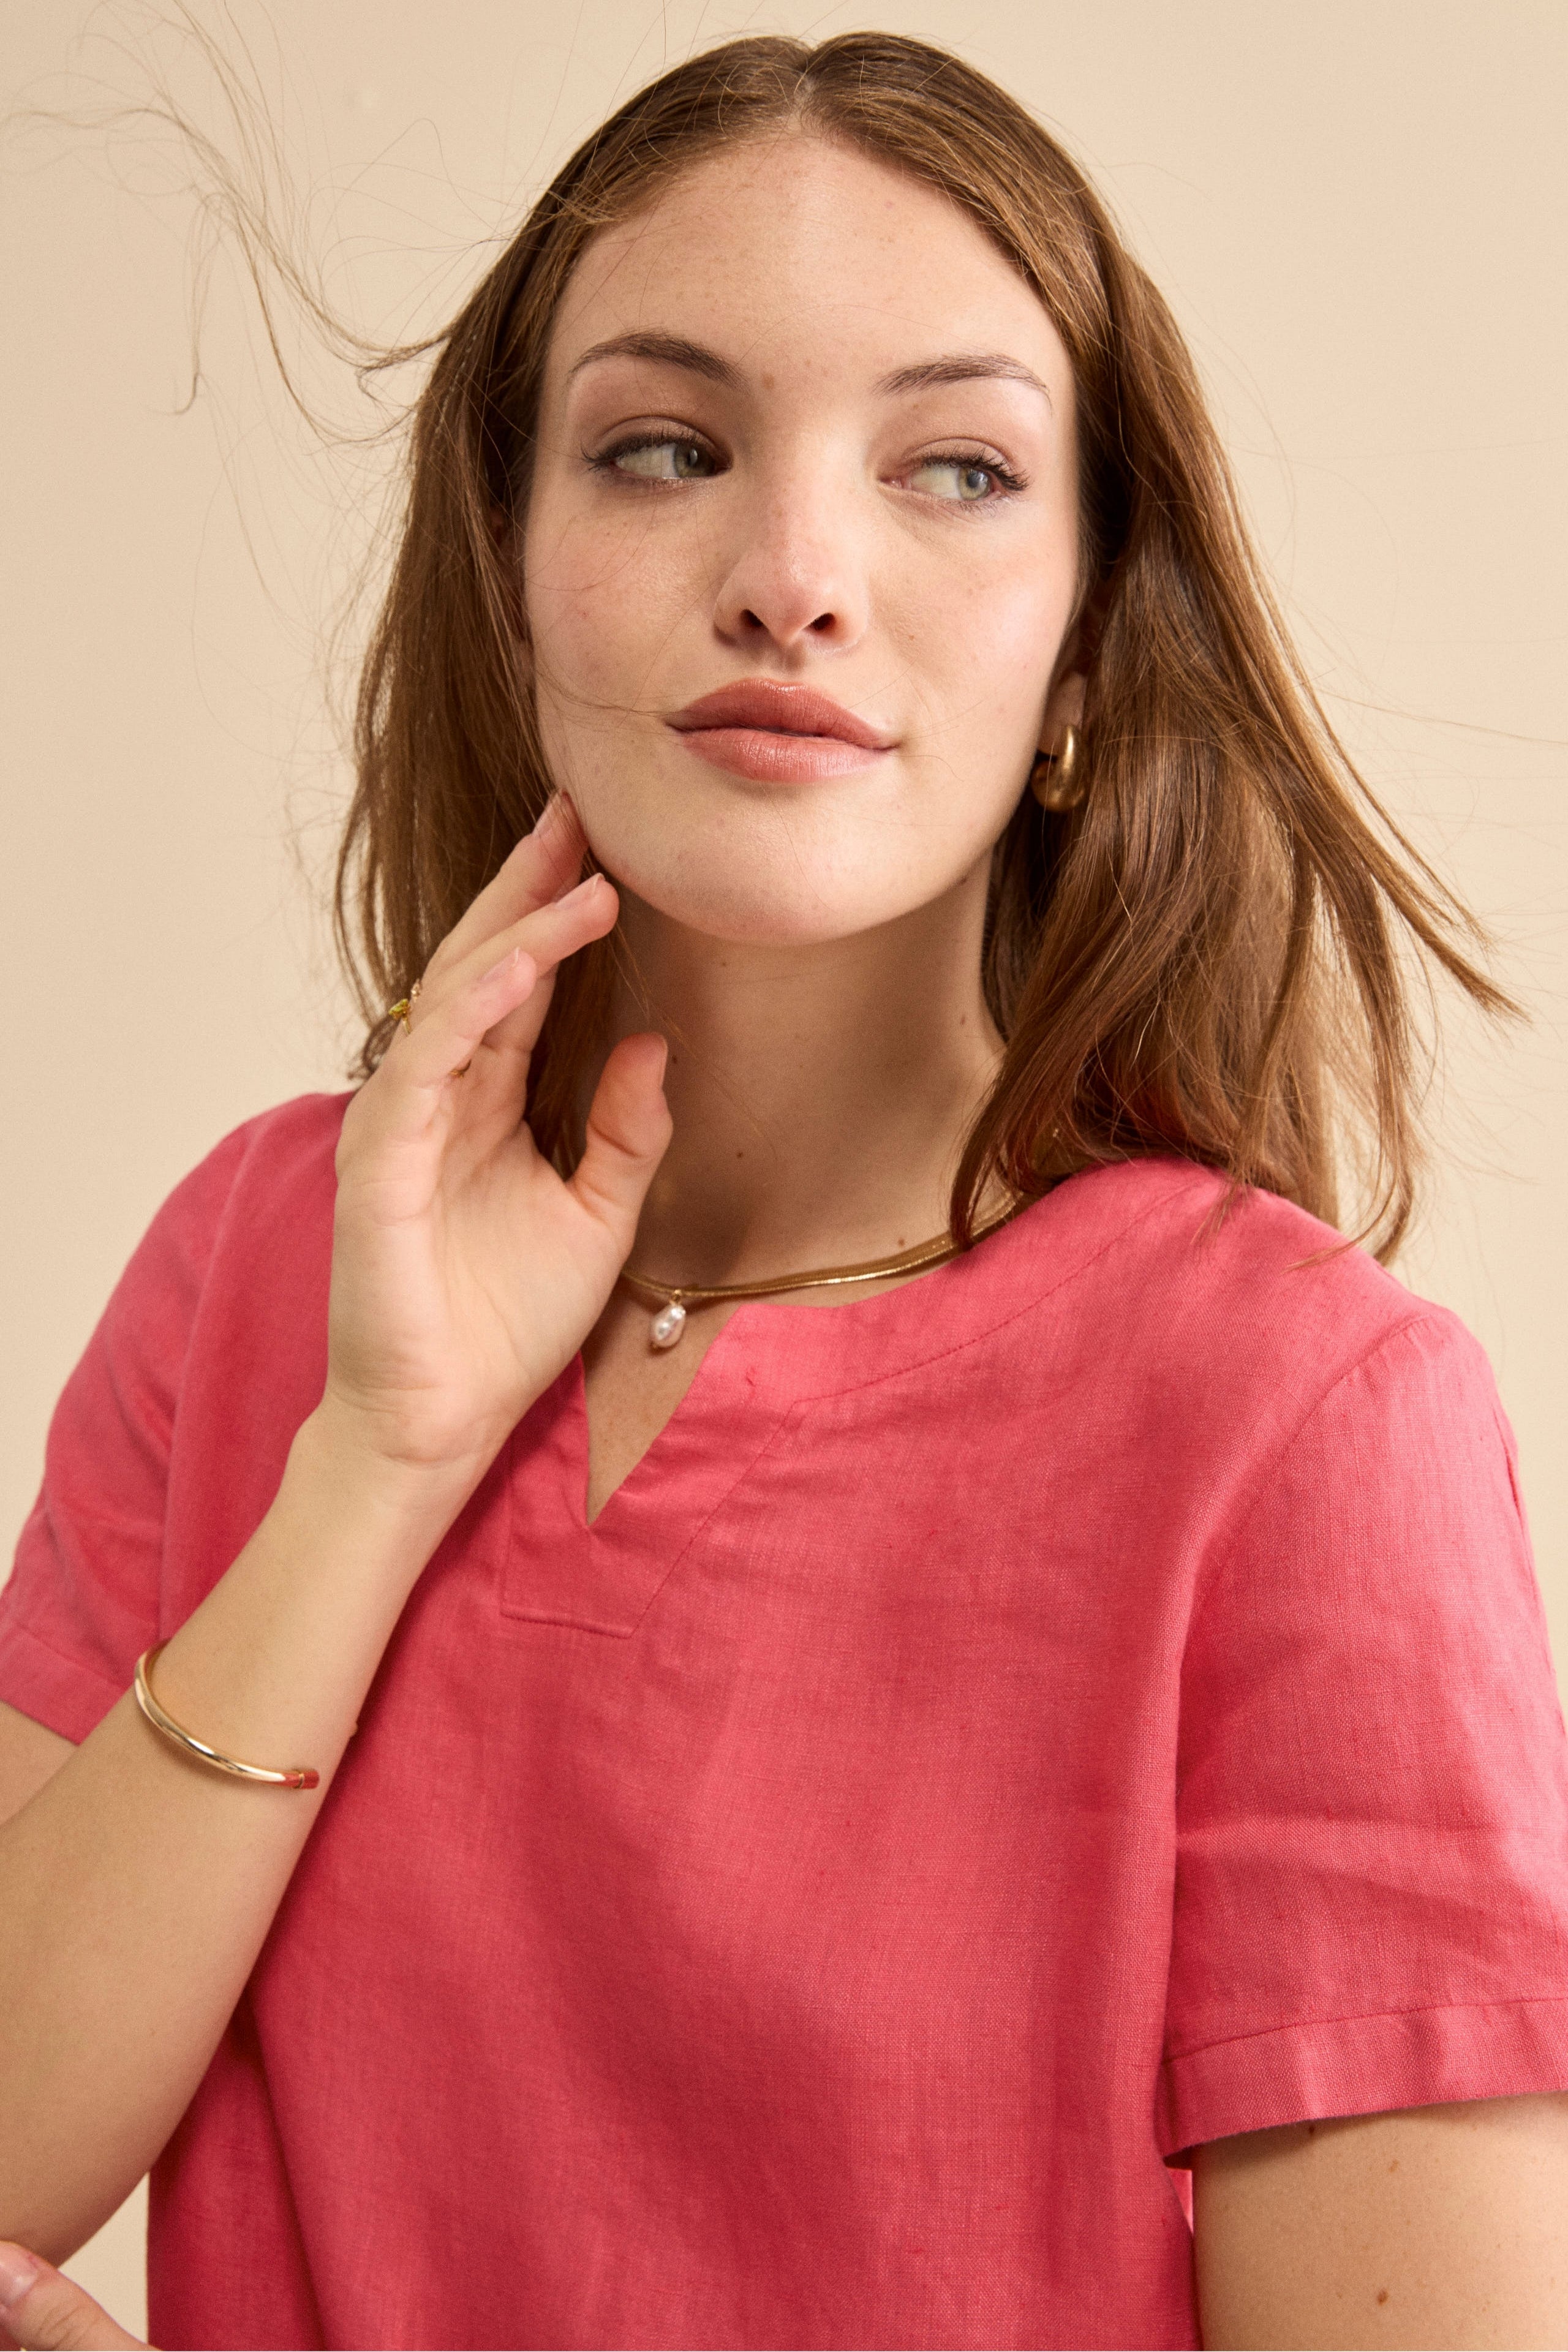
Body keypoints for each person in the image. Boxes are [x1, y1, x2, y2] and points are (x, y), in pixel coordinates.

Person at [2, 29, 1567, 2352]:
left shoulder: (1303, 1416)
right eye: (665, 447)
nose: (795, 578)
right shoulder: (257, 1263)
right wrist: (383, 1456)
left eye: (956, 469)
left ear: (1083, 654)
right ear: (511, 572)